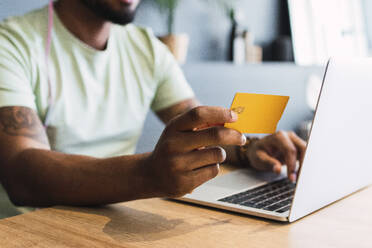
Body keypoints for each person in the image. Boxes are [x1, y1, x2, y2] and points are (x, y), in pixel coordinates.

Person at [0, 0, 305, 216]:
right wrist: (147, 174)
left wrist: (249, 147)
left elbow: (204, 132)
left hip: (118, 216)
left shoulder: (146, 48)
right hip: (31, 227)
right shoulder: (11, 43)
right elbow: (21, 172)